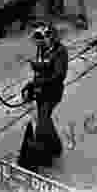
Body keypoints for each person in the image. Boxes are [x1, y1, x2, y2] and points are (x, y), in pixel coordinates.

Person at [27, 23, 68, 164]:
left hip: (52, 92)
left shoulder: (60, 51)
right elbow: (43, 67)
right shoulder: (42, 49)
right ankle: (56, 147)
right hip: (41, 92)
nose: (40, 42)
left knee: (42, 123)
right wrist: (33, 82)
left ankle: (45, 154)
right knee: (45, 120)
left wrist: (39, 81)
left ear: (51, 37)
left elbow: (59, 75)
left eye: (43, 38)